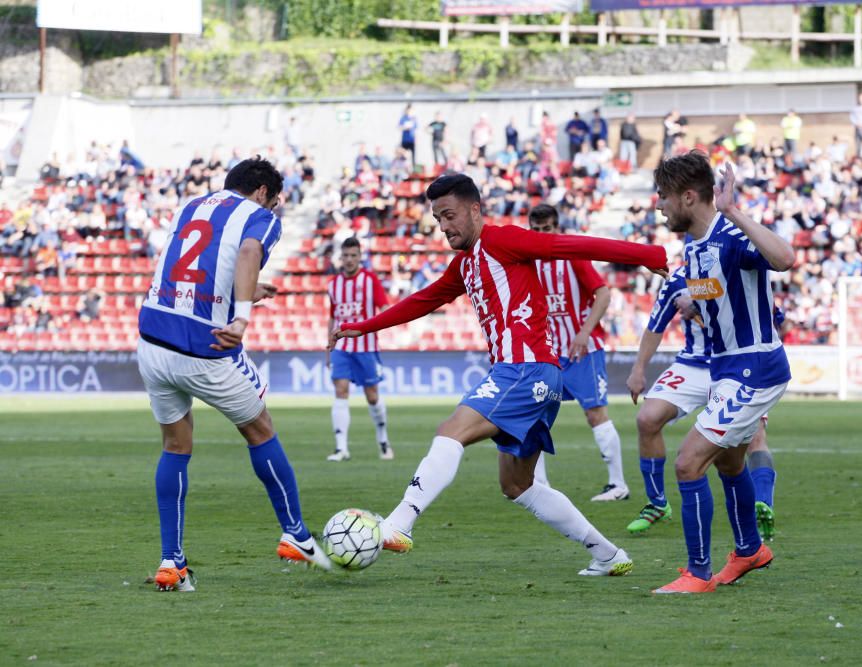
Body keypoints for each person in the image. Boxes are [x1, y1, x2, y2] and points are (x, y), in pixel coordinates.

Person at [331, 173, 670, 576]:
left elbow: (568, 245)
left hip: (523, 370)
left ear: (475, 210)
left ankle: (400, 522)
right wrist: (364, 326)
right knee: (517, 486)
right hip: (535, 375)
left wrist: (649, 255)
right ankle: (608, 554)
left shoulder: (502, 240)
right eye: (438, 219)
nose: (444, 227)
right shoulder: (466, 264)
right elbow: (425, 299)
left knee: (451, 430)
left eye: (450, 215)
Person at [136, 157, 332, 592]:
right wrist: (241, 316)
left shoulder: (191, 206)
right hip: (203, 346)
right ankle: (296, 535)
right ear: (263, 191)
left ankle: (173, 562)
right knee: (260, 429)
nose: (275, 210)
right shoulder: (258, 216)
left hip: (151, 337)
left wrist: (241, 291)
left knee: (175, 444)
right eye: (276, 202)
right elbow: (247, 252)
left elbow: (190, 266)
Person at [650, 153, 794, 595]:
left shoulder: (730, 233)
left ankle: (697, 573)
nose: (659, 206)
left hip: (754, 368)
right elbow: (718, 297)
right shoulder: (693, 246)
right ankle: (750, 550)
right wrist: (697, 307)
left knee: (689, 463)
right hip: (724, 369)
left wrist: (734, 210)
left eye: (664, 197)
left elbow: (785, 258)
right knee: (730, 462)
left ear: (688, 197)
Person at [625, 274, 779, 540]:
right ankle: (658, 503)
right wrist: (638, 369)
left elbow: (771, 318)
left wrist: (704, 303)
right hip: (692, 365)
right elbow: (655, 326)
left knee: (755, 437)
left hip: (736, 365)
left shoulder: (739, 269)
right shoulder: (677, 280)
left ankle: (762, 504)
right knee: (647, 418)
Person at [527, 204, 627, 501]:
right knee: (534, 415)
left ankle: (618, 484)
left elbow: (604, 293)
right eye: (537, 231)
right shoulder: (528, 261)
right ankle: (539, 485)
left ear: (557, 228)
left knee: (595, 413)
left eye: (547, 230)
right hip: (548, 354)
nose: (542, 235)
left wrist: (584, 331)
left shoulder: (572, 255)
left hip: (582, 351)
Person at [326, 236, 393, 462]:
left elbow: (385, 308)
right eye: (345, 255)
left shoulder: (370, 280)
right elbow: (333, 317)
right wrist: (328, 348)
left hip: (366, 347)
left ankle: (383, 440)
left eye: (353, 255)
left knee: (372, 396)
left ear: (360, 257)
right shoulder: (333, 284)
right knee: (341, 391)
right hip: (342, 347)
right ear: (340, 257)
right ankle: (341, 448)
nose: (349, 260)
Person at [398, 104, 418, 169]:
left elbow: (416, 129)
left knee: (413, 156)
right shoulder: (403, 118)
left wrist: (416, 139)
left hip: (412, 139)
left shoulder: (414, 118)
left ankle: (414, 169)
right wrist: (405, 127)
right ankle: (404, 168)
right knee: (403, 155)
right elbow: (399, 127)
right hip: (405, 140)